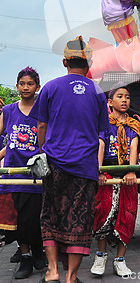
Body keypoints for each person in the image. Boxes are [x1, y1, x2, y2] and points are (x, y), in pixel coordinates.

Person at [30, 36, 109, 283]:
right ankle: (70, 277)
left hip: (54, 164)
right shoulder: (97, 91)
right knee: (80, 220)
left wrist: (43, 148)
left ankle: (52, 270)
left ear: (65, 62)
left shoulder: (51, 88)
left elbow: (41, 124)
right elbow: (100, 133)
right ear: (90, 63)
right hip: (85, 166)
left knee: (50, 215)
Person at [91, 86, 140, 277]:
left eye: (127, 97)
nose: (124, 100)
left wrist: (131, 171)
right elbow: (100, 146)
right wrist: (99, 172)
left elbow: (134, 148)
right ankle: (101, 256)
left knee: (128, 215)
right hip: (107, 173)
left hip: (126, 174)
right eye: (119, 96)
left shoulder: (133, 125)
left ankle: (120, 260)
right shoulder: (103, 123)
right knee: (102, 212)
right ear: (110, 102)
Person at [0, 67, 45, 279]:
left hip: (36, 175)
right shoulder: (8, 110)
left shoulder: (43, 110)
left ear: (37, 86)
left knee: (33, 218)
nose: (26, 87)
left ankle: (38, 250)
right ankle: (26, 257)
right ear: (17, 86)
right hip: (12, 174)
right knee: (16, 220)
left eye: (30, 84)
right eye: (22, 83)